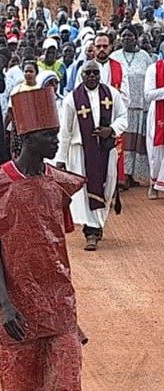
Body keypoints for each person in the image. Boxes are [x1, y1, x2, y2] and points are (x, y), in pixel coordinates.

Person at [0, 86, 86, 391]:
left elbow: (55, 248)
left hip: (59, 305)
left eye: (55, 134)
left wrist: (71, 317)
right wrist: (5, 303)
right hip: (17, 305)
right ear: (27, 137)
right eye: (48, 135)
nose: (56, 140)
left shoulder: (59, 184)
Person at [57, 61, 128, 251]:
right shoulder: (72, 98)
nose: (92, 76)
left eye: (95, 73)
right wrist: (61, 158)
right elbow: (65, 130)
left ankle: (98, 224)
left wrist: (111, 129)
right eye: (88, 73)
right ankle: (91, 231)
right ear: (82, 75)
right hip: (81, 152)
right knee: (85, 191)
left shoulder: (112, 94)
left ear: (100, 74)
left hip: (106, 150)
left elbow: (123, 118)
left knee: (107, 188)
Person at [110, 26, 154, 187]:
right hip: (122, 106)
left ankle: (134, 175)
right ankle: (123, 175)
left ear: (136, 38)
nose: (127, 38)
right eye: (124, 36)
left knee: (137, 142)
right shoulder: (114, 57)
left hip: (141, 105)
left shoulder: (145, 57)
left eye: (130, 36)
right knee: (124, 141)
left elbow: (150, 79)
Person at [144, 56, 164, 199]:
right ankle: (154, 182)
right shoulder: (153, 69)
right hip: (158, 111)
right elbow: (148, 95)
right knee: (156, 151)